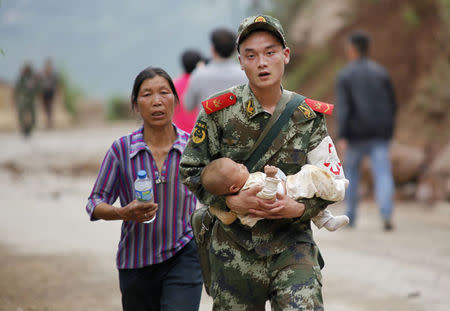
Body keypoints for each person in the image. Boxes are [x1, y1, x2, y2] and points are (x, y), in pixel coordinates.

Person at [180, 15, 345, 310]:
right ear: (241, 62)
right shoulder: (219, 112)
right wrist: (230, 202)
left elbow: (329, 179)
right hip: (234, 252)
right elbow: (191, 170)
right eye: (251, 55)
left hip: (293, 246)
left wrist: (299, 208)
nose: (262, 62)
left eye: (270, 52)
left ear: (286, 55)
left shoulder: (307, 116)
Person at [86, 67, 202, 311]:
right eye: (147, 94)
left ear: (175, 100)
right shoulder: (121, 150)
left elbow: (215, 194)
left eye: (164, 92)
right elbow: (95, 202)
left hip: (184, 255)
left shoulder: (193, 148)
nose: (157, 101)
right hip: (135, 262)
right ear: (136, 105)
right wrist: (122, 213)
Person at [336, 30, 397, 231]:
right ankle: (386, 214)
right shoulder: (381, 72)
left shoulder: (346, 75)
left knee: (352, 173)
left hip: (356, 135)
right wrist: (389, 130)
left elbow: (344, 108)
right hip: (380, 133)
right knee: (383, 173)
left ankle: (351, 216)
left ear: (352, 49)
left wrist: (342, 134)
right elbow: (392, 104)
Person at [201, 157, 349, 230]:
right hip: (290, 190)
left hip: (288, 192)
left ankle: (327, 221)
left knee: (311, 192)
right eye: (237, 168)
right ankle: (338, 190)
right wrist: (271, 177)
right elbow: (268, 196)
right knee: (311, 173)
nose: (241, 165)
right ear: (233, 188)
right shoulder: (250, 186)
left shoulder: (246, 183)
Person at [183, 27, 247, 112]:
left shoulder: (199, 75)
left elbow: (188, 105)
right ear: (235, 49)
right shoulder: (245, 73)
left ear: (213, 48)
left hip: (207, 124)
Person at [172, 49, 205, 133]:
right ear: (199, 64)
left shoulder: (174, 84)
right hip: (199, 134)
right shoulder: (202, 83)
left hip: (179, 134)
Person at [14, 62, 38, 137]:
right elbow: (18, 87)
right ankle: (23, 126)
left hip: (31, 98)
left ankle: (31, 127)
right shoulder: (22, 77)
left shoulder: (33, 77)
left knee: (33, 113)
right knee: (21, 112)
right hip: (24, 98)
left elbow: (37, 87)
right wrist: (16, 96)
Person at [39, 59, 59, 129]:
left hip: (50, 93)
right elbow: (40, 85)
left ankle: (50, 123)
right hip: (44, 93)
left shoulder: (53, 75)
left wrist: (57, 92)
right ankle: (48, 122)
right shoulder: (42, 75)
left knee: (50, 108)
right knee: (45, 109)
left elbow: (56, 84)